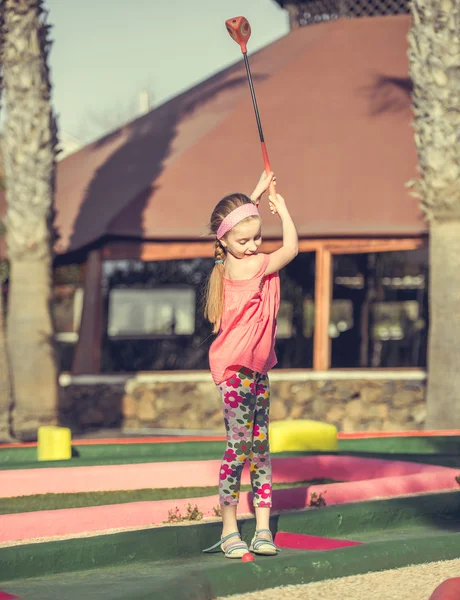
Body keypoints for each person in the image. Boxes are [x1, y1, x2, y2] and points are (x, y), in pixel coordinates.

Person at [202, 171, 298, 559]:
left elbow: (239, 224)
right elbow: (290, 247)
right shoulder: (250, 266)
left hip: (256, 370)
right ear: (222, 240)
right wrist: (284, 211)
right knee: (238, 449)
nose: (253, 245)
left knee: (260, 449)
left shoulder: (234, 257)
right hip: (236, 372)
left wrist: (255, 197)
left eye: (257, 239)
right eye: (244, 241)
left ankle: (261, 529)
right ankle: (229, 529)